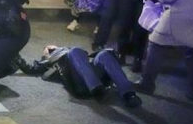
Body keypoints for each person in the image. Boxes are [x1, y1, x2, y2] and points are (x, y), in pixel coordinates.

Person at [11, 46, 142, 107]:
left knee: (103, 55)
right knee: (74, 51)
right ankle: (96, 89)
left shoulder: (73, 54)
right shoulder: (52, 61)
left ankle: (128, 94)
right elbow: (31, 69)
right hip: (80, 84)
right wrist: (14, 55)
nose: (51, 47)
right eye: (49, 50)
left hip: (89, 74)